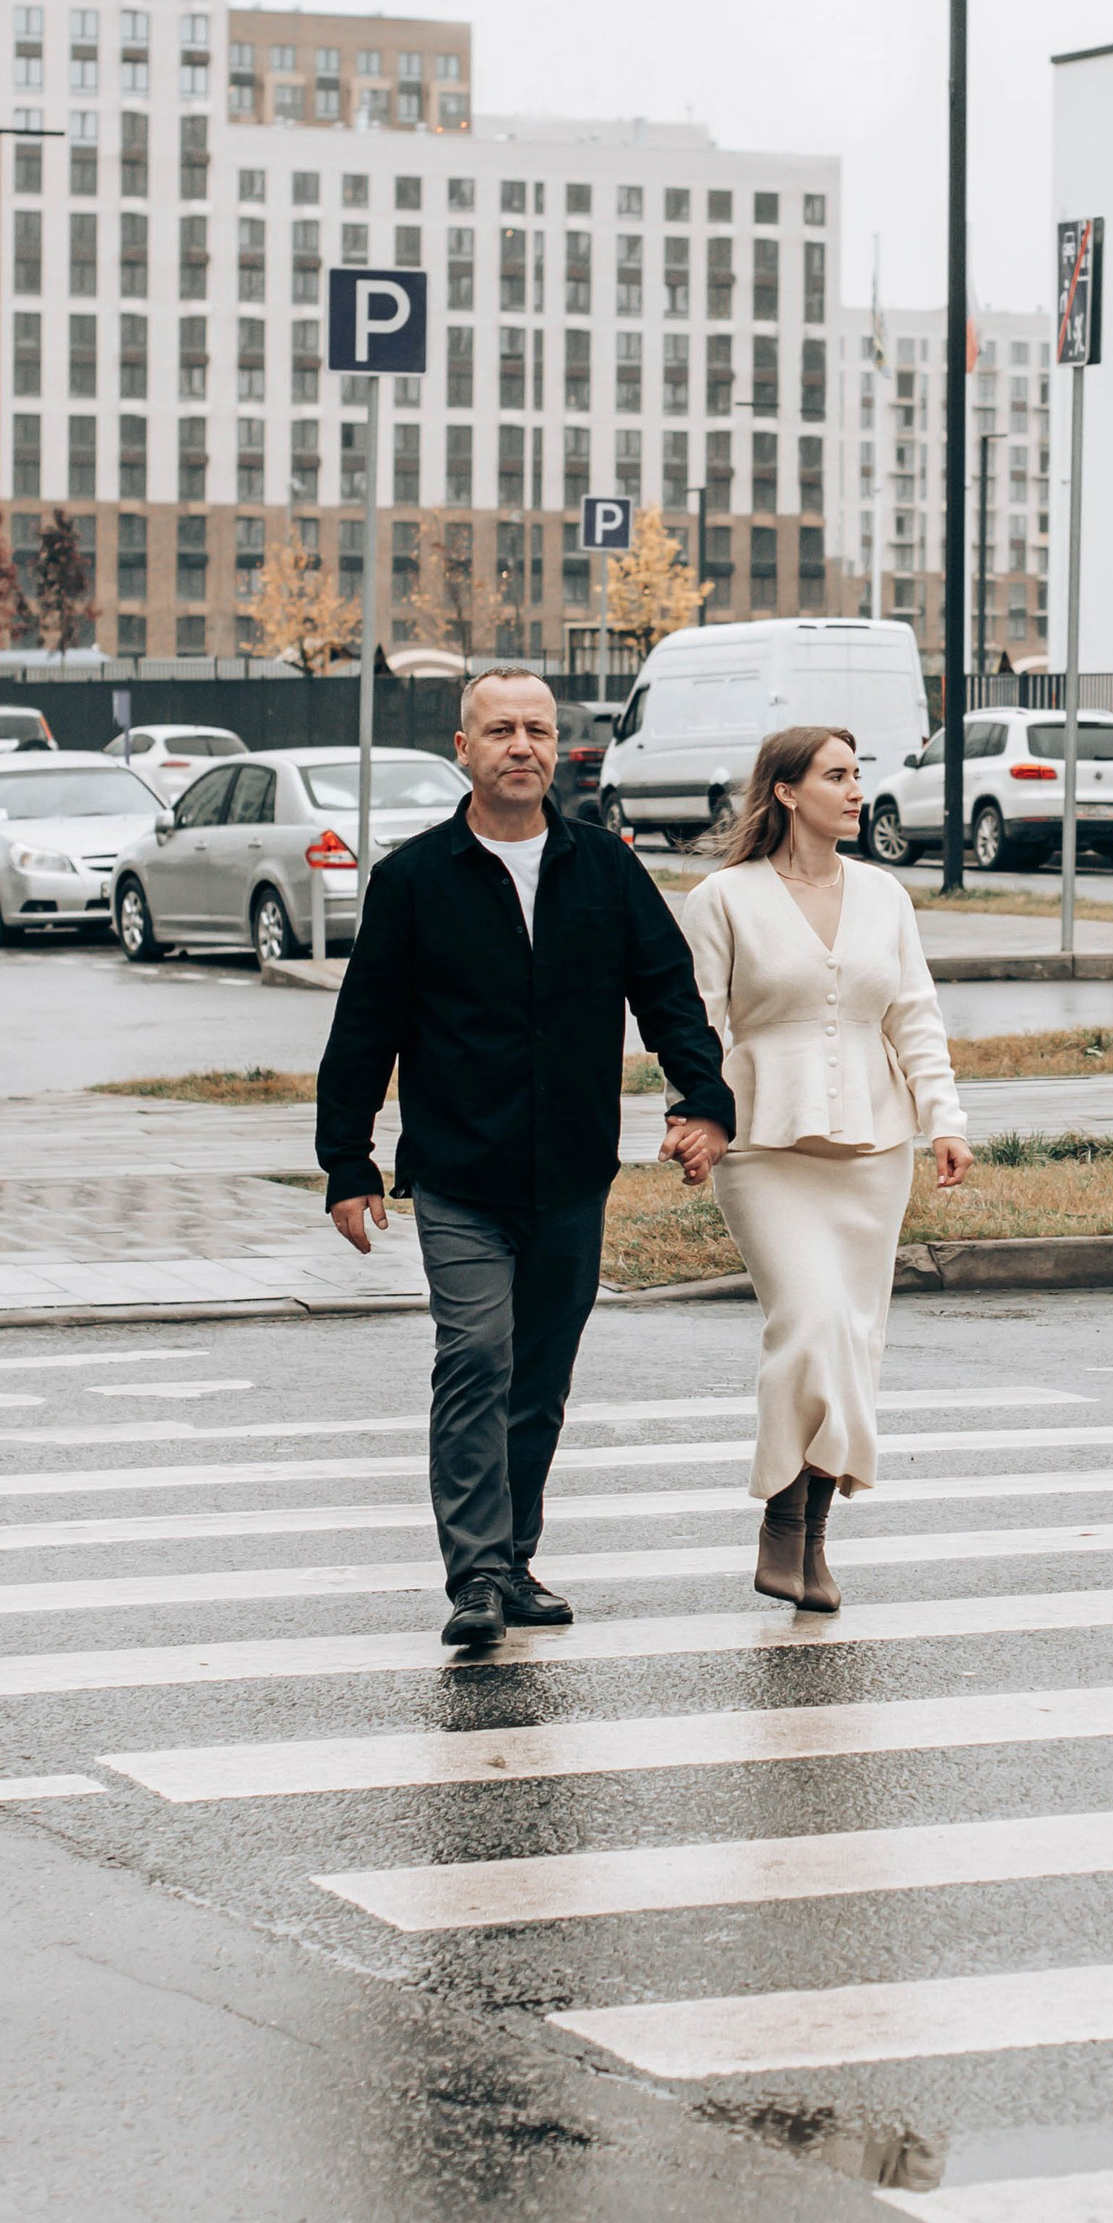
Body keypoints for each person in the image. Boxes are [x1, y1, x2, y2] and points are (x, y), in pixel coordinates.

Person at [317, 667, 736, 1655]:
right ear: (463, 748)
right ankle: (473, 1571)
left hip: (573, 1171)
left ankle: (512, 1556)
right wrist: (347, 1162)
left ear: (558, 748)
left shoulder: (606, 869)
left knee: (540, 1376)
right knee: (476, 1355)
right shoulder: (416, 879)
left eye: (538, 730)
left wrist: (702, 1101)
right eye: (501, 729)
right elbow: (364, 1029)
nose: (522, 746)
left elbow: (669, 994)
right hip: (460, 1173)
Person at [678, 723, 969, 1611]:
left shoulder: (883, 894)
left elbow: (913, 1015)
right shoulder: (722, 899)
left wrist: (944, 1119)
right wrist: (695, 1116)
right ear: (786, 791)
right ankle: (781, 1517)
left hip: (875, 1150)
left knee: (853, 1336)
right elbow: (698, 1024)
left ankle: (814, 1534)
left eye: (856, 775)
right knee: (808, 1320)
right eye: (836, 776)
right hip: (765, 1147)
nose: (855, 791)